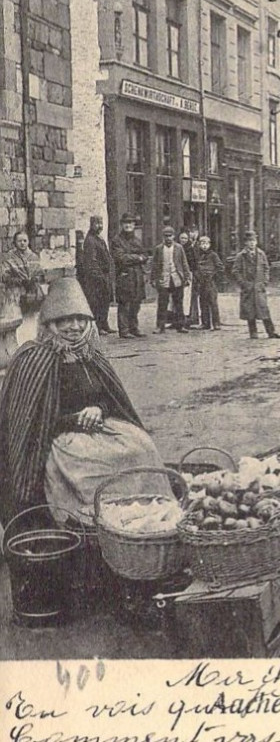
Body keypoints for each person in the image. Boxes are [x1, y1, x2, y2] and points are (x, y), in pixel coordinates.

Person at [0, 277, 164, 529]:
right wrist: (74, 420)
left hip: (101, 429)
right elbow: (28, 421)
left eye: (80, 320)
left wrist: (100, 409)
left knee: (142, 448)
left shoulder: (91, 354)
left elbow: (112, 398)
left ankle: (143, 522)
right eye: (64, 320)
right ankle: (97, 527)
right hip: (58, 439)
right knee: (92, 469)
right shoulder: (32, 358)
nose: (73, 327)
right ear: (50, 323)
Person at [233, 230, 280, 339]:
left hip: (259, 287)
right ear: (245, 243)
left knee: (264, 309)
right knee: (250, 311)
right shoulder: (241, 256)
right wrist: (243, 283)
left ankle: (271, 332)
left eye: (254, 240)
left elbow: (266, 268)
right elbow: (236, 271)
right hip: (248, 287)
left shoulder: (261, 254)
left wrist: (265, 281)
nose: (252, 243)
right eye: (249, 241)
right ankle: (253, 333)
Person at [1, 230, 46, 345]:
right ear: (14, 242)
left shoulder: (34, 257)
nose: (22, 243)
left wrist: (34, 280)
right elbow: (5, 276)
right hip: (15, 294)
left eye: (25, 241)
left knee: (31, 321)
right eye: (19, 241)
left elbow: (40, 274)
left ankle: (31, 344)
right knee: (18, 322)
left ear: (28, 242)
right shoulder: (9, 257)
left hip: (32, 294)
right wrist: (20, 281)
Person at [110, 213, 147, 338]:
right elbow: (121, 258)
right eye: (126, 223)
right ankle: (124, 330)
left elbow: (145, 255)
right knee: (125, 303)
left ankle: (134, 327)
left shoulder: (137, 240)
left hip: (137, 275)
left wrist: (136, 257)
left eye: (131, 223)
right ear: (122, 225)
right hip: (124, 275)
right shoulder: (116, 240)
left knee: (136, 303)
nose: (128, 225)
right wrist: (138, 257)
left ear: (134, 225)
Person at [151, 226, 191, 334]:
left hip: (177, 278)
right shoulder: (159, 249)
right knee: (162, 303)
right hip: (164, 279)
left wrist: (187, 277)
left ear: (174, 236)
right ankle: (160, 326)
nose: (168, 238)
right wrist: (153, 279)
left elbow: (184, 263)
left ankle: (180, 325)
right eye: (166, 236)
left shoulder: (179, 248)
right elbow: (154, 265)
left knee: (178, 303)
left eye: (170, 236)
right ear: (163, 237)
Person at [78, 216, 114, 334]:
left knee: (105, 301)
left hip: (104, 276)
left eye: (101, 223)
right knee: (97, 302)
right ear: (91, 224)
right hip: (96, 278)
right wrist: (99, 276)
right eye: (97, 223)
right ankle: (98, 327)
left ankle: (104, 324)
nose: (99, 226)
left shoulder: (99, 239)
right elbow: (91, 261)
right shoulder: (90, 241)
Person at [195, 234, 224, 330]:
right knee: (203, 302)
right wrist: (198, 276)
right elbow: (195, 267)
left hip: (211, 282)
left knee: (213, 302)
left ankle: (216, 323)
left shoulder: (213, 255)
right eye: (202, 243)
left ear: (209, 244)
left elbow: (220, 267)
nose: (204, 245)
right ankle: (205, 323)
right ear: (199, 245)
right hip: (201, 282)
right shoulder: (198, 255)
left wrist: (213, 276)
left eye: (206, 243)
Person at [186, 226, 201, 327]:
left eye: (195, 232)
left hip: (198, 273)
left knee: (196, 296)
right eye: (191, 232)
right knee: (190, 297)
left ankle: (196, 318)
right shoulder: (187, 246)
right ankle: (191, 318)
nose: (193, 234)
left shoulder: (200, 245)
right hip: (190, 273)